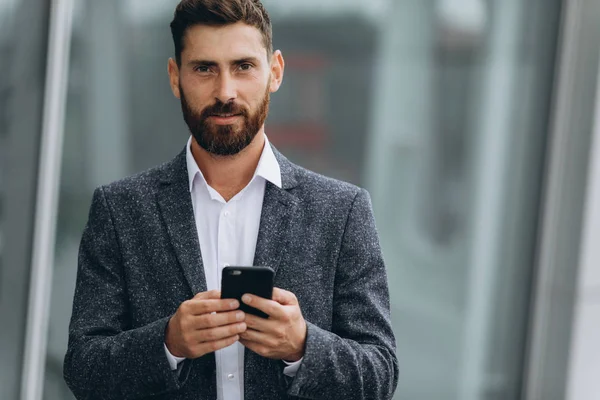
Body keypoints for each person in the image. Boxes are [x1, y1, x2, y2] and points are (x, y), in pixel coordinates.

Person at [63, 0, 398, 399]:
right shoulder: (120, 210)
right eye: (205, 68)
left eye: (243, 66)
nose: (225, 92)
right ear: (175, 77)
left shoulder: (342, 211)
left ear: (274, 72)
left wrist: (302, 345)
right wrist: (168, 342)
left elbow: (380, 373)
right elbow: (83, 369)